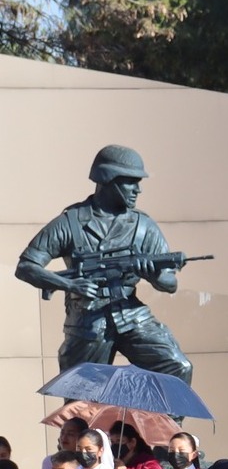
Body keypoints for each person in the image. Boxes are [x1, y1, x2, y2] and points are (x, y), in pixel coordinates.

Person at [12, 145, 196, 381]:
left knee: (178, 367)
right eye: (130, 182)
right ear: (107, 178)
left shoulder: (143, 226)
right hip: (87, 322)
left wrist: (153, 276)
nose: (137, 190)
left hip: (131, 315)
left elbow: (170, 283)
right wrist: (68, 285)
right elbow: (26, 267)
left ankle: (165, 420)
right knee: (82, 399)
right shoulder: (70, 223)